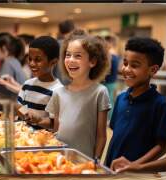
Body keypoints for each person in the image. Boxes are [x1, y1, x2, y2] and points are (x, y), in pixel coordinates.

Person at [36, 30, 111, 159]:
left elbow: (101, 136)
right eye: (68, 55)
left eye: (78, 56)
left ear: (92, 62)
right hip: (60, 158)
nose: (71, 60)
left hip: (84, 160)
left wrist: (95, 160)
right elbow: (56, 131)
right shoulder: (58, 93)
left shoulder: (99, 92)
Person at [105, 37, 166, 171]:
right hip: (112, 168)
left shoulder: (160, 104)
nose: (127, 69)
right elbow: (115, 136)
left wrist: (136, 165)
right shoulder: (120, 99)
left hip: (137, 175)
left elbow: (162, 146)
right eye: (125, 63)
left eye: (134, 65)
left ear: (153, 70)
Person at [16, 36, 63, 129]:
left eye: (38, 60)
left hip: (41, 140)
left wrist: (39, 120)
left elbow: (54, 123)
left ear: (53, 62)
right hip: (22, 136)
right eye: (30, 59)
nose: (32, 63)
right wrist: (25, 113)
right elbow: (20, 107)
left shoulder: (58, 90)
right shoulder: (27, 84)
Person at [103, 35, 121, 120]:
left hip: (109, 81)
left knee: (108, 101)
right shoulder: (116, 54)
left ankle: (108, 119)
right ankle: (110, 119)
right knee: (110, 100)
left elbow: (108, 70)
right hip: (113, 81)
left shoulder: (111, 55)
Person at [53, 20, 76, 86]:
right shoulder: (76, 44)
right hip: (70, 85)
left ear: (59, 31)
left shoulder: (54, 44)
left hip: (56, 86)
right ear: (73, 29)